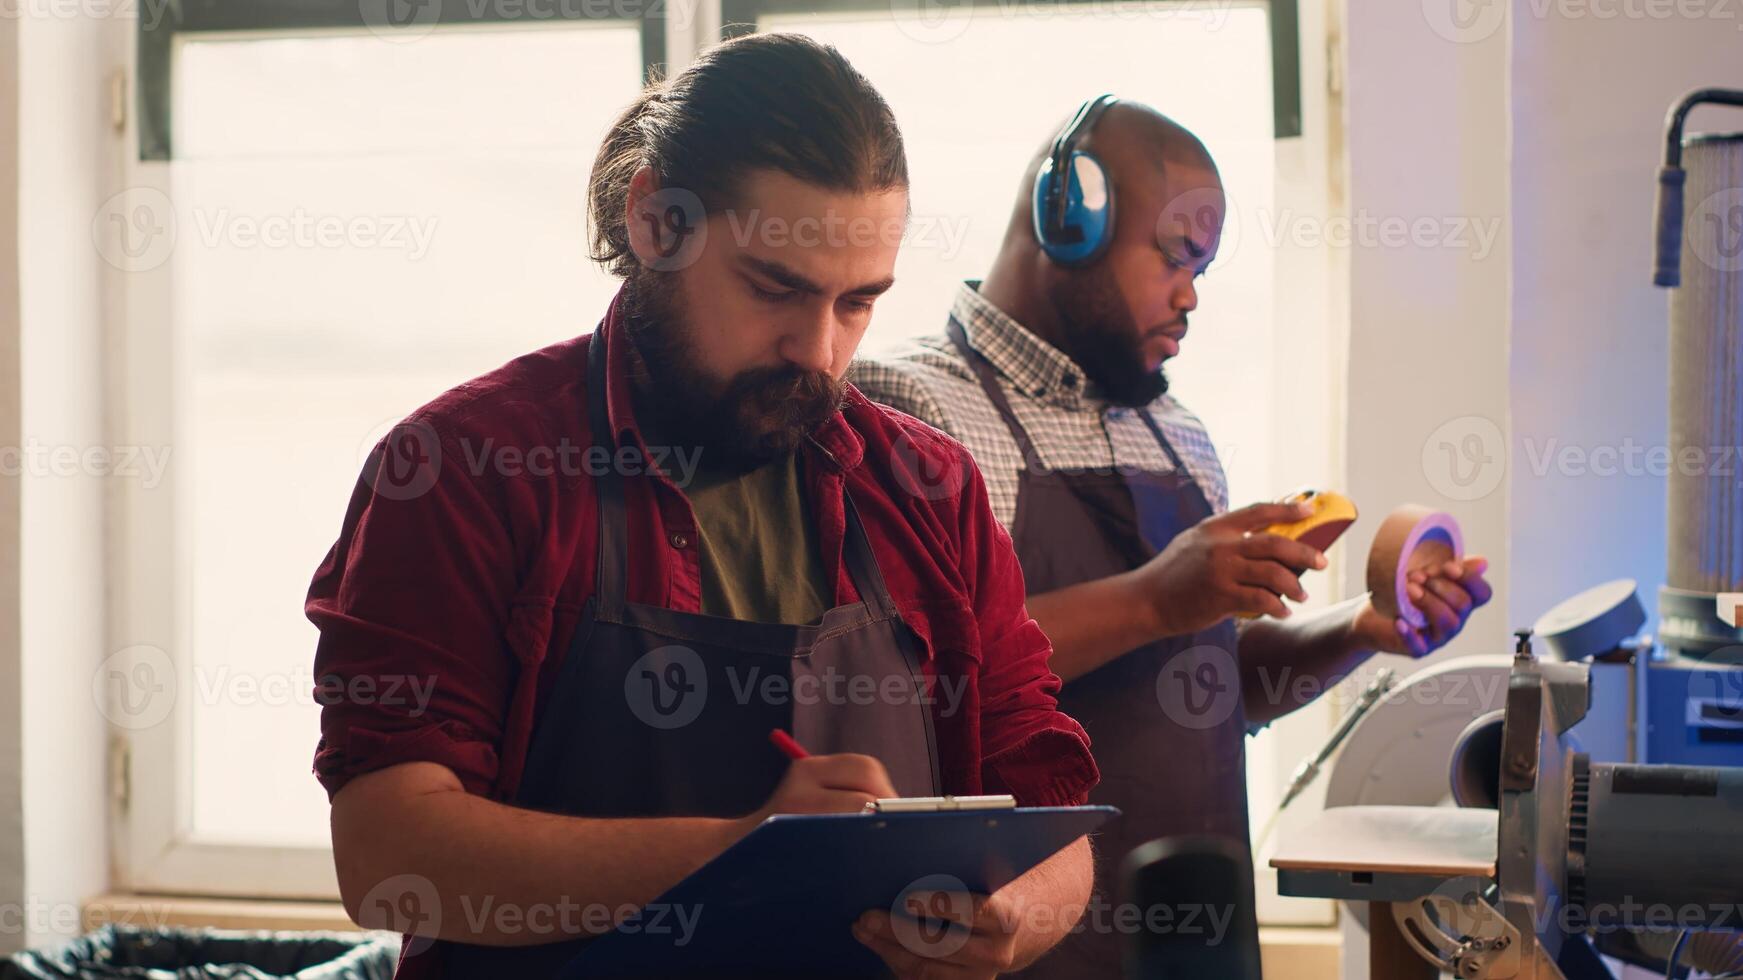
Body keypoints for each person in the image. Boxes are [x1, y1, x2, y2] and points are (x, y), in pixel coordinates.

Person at [307, 35, 1100, 980]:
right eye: (775, 288)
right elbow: (391, 857)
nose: (818, 349)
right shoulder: (465, 470)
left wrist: (1013, 917)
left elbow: (1049, 818)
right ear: (653, 220)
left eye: (858, 304)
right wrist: (748, 849)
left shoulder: (928, 489)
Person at [849, 95, 1493, 976]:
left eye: (1205, 270)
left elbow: (1212, 685)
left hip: (1200, 940)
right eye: (1174, 258)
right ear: (1066, 220)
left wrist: (1363, 628)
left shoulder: (1174, 431)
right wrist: (1158, 595)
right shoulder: (917, 408)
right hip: (1007, 941)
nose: (1189, 297)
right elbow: (922, 683)